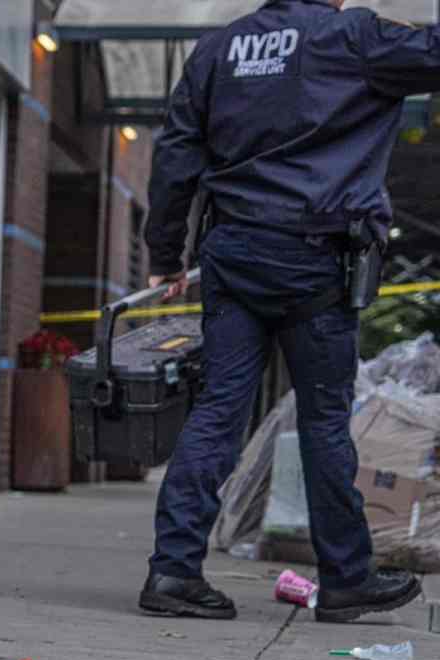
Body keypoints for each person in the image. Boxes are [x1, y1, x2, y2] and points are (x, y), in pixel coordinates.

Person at [140, 0, 435, 622]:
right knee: (324, 421)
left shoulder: (219, 49)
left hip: (234, 252)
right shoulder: (355, 36)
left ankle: (173, 571)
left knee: (218, 410)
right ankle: (346, 579)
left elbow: (176, 154)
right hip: (316, 257)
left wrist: (165, 254)